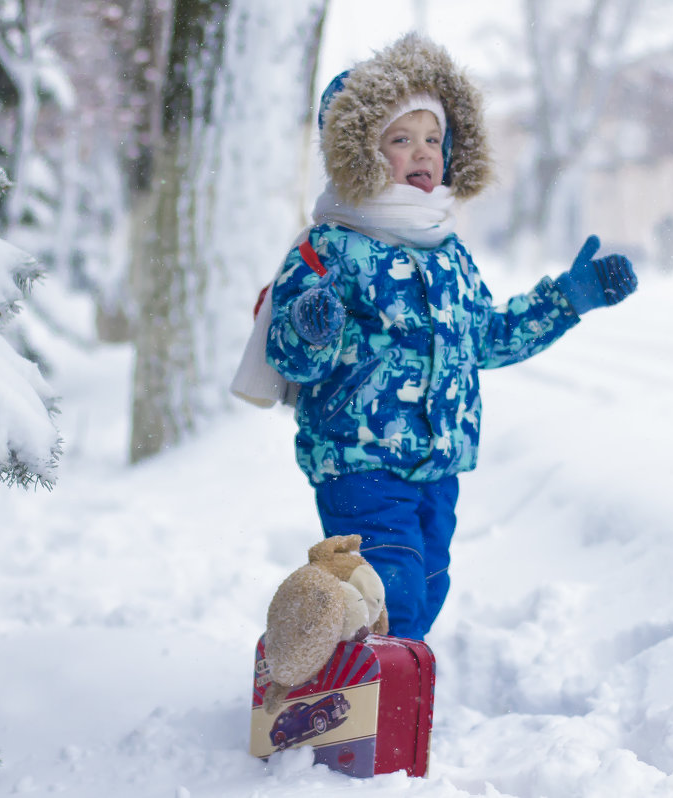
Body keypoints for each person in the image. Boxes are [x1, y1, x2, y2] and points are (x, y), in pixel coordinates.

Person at [262, 33, 637, 641]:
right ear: (361, 151)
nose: (422, 153)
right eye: (401, 139)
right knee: (392, 588)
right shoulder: (335, 245)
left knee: (428, 582)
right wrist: (312, 327)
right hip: (358, 458)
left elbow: (485, 336)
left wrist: (568, 300)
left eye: (432, 139)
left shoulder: (448, 250)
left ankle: (342, 669)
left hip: (438, 463)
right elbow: (292, 357)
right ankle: (371, 707)